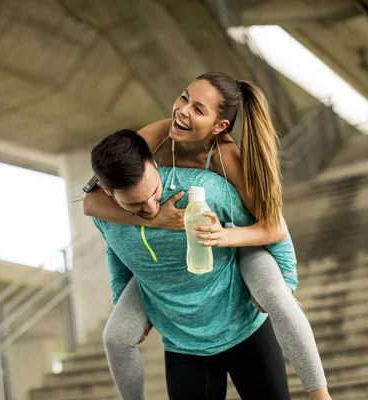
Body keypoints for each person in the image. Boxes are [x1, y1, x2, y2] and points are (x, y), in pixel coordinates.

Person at [84, 72, 330, 400]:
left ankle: (320, 394)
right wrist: (156, 219)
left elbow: (274, 226)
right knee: (114, 336)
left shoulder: (227, 161)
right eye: (184, 97)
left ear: (219, 126)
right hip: (183, 284)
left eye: (199, 109)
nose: (183, 110)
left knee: (275, 294)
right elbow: (92, 202)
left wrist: (281, 274)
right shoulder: (154, 137)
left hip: (237, 242)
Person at [89, 129, 292, 399]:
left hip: (244, 329)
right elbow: (117, 255)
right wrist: (124, 304)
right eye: (136, 204)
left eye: (153, 192)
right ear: (106, 191)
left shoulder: (205, 189)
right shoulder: (105, 215)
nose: (151, 208)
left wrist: (288, 280)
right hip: (183, 347)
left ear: (152, 162)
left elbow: (269, 223)